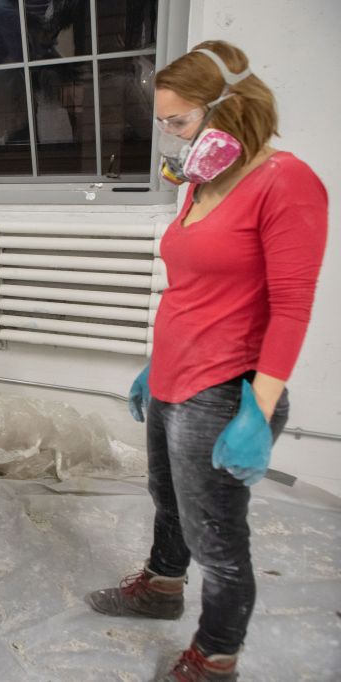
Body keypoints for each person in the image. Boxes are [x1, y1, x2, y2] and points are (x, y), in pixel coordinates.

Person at [85, 41, 328, 681]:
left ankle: (216, 656)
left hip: (224, 390)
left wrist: (259, 409)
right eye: (162, 120)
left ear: (230, 108)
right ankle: (163, 590)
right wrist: (155, 364)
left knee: (216, 537)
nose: (167, 134)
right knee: (167, 499)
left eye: (179, 121)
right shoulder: (202, 182)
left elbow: (293, 306)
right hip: (175, 375)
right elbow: (193, 288)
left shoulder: (287, 181)